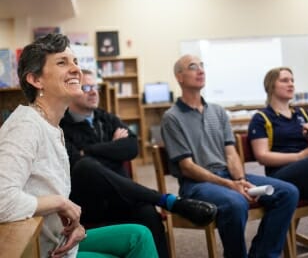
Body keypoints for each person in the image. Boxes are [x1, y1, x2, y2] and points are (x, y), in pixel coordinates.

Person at [0, 33, 158, 258]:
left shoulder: (53, 128)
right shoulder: (25, 126)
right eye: (62, 62)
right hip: (41, 251)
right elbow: (2, 201)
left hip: (60, 240)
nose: (76, 69)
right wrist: (59, 202)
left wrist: (77, 226)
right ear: (35, 80)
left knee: (139, 235)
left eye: (75, 62)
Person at [60, 69, 217, 258]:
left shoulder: (106, 118)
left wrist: (89, 150)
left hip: (123, 196)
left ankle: (164, 204)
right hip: (90, 204)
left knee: (148, 213)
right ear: (71, 92)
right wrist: (112, 148)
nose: (93, 92)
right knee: (86, 168)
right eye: (86, 87)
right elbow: (80, 164)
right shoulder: (62, 127)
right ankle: (167, 200)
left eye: (95, 87)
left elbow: (132, 148)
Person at [161, 54, 300, 258]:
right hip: (196, 184)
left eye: (202, 66)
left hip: (228, 176)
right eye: (193, 67)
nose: (200, 70)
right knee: (236, 202)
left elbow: (231, 152)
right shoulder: (172, 117)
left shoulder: (218, 111)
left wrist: (240, 180)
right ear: (179, 77)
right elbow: (187, 167)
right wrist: (229, 185)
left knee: (288, 192)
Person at [248, 67, 308, 199]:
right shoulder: (261, 117)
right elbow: (262, 156)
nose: (291, 84)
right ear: (271, 86)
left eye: (292, 80)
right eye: (284, 80)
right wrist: (300, 156)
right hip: (281, 173)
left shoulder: (302, 113)